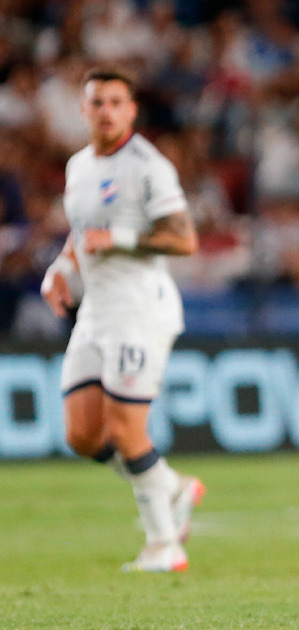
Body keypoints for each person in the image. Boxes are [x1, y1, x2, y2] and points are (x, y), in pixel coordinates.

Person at [40, 68, 203, 573]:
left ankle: (164, 546)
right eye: (97, 102)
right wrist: (60, 269)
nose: (106, 111)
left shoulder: (147, 166)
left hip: (139, 309)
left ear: (131, 110)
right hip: (96, 311)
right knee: (83, 435)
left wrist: (122, 239)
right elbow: (82, 232)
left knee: (126, 427)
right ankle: (171, 485)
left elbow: (184, 239)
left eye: (116, 102)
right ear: (84, 110)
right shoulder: (78, 166)